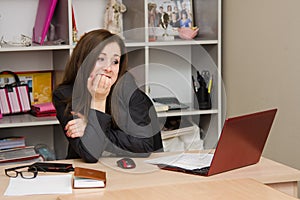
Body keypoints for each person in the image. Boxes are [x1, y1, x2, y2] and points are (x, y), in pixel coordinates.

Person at [53, 29, 163, 163]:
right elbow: (90, 154)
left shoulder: (127, 87)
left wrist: (91, 127)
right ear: (81, 62)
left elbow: (144, 146)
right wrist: (98, 100)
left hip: (135, 169)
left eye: (115, 61)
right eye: (100, 59)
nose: (109, 68)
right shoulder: (64, 95)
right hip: (85, 171)